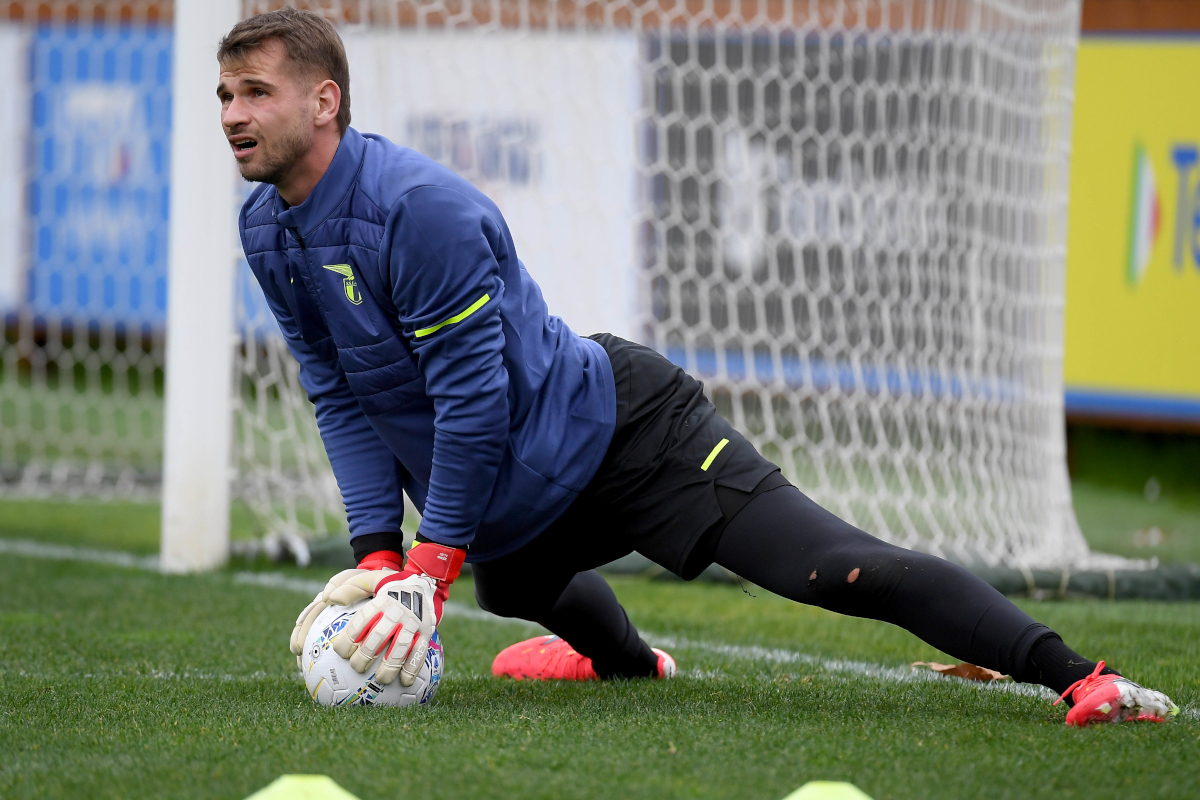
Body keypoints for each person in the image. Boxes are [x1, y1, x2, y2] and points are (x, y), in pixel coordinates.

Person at [219, 8, 1177, 726]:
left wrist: (428, 565)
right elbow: (337, 391)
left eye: (256, 91)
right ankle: (629, 665)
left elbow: (471, 400)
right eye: (225, 95)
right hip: (514, 482)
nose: (233, 114)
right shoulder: (266, 226)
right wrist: (379, 554)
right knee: (510, 587)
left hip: (629, 434)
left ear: (325, 100)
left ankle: (1083, 677)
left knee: (832, 569)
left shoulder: (419, 208)